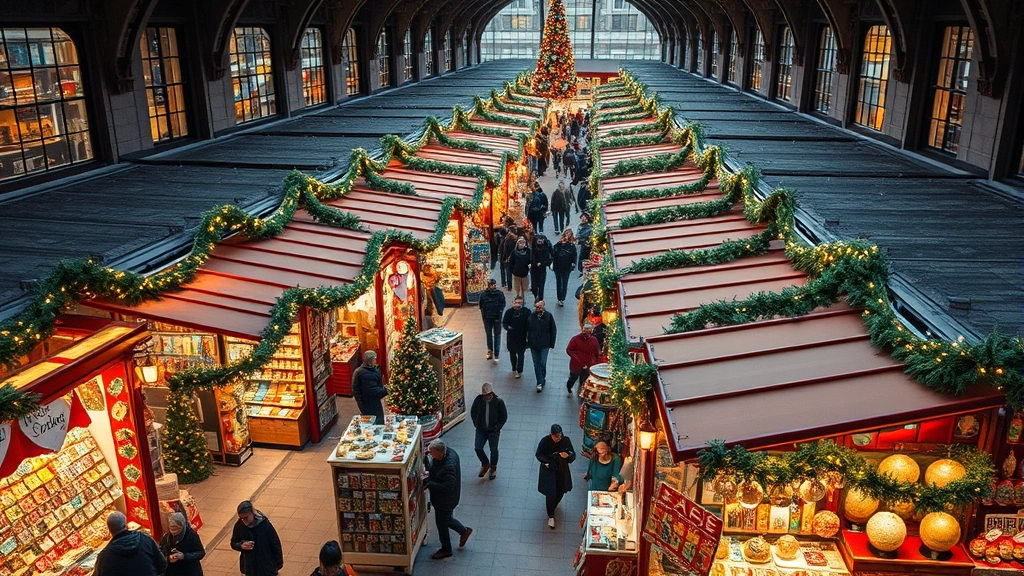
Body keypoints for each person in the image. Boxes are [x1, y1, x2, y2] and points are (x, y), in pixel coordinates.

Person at [425, 440, 472, 559]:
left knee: (442, 523)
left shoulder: (448, 467)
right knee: (448, 518)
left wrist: (429, 483)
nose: (430, 455)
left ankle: (446, 549)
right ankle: (464, 531)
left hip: (445, 501)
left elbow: (447, 487)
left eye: (432, 453)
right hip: (450, 499)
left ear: (441, 453)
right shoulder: (449, 452)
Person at [94, 511, 167, 576]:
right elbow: (162, 564)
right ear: (126, 525)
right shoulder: (145, 538)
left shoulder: (104, 557)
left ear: (109, 530)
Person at [536, 424, 576, 529]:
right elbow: (539, 454)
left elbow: (572, 455)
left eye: (560, 436)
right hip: (549, 470)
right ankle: (551, 515)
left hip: (562, 469)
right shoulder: (545, 442)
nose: (559, 438)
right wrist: (547, 462)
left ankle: (553, 506)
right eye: (556, 436)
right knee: (551, 492)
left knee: (561, 489)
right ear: (551, 435)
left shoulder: (566, 441)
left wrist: (568, 456)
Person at [231, 501, 284, 576]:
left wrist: (278, 563)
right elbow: (233, 543)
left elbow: (275, 543)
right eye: (241, 518)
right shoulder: (239, 526)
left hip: (266, 565)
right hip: (250, 567)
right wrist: (240, 545)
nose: (244, 521)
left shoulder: (264, 524)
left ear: (252, 513)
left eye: (246, 517)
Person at [470, 382, 507, 479]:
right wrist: (476, 423)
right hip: (481, 429)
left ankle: (493, 468)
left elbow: (504, 417)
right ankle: (485, 463)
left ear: (492, 393)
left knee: (493, 450)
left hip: (493, 431)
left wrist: (497, 427)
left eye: (488, 395)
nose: (486, 397)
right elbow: (473, 412)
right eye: (484, 395)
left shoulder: (499, 402)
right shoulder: (478, 400)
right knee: (478, 447)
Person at [160, 512, 206, 576]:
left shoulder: (191, 536)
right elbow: (161, 553)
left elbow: (201, 553)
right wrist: (169, 558)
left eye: (177, 529)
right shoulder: (167, 537)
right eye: (172, 529)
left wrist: (184, 556)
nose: (174, 533)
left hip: (189, 571)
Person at [526, 300, 557, 392]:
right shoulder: (531, 316)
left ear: (543, 306)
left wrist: (552, 344)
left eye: (539, 307)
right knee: (536, 363)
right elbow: (527, 329)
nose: (537, 309)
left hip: (544, 344)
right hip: (534, 344)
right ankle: (539, 381)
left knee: (543, 362)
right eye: (536, 307)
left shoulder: (548, 316)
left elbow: (553, 330)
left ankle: (542, 378)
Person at [566, 322, 600, 396]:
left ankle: (582, 392)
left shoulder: (593, 340)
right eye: (587, 330)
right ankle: (569, 386)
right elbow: (569, 350)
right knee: (573, 378)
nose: (588, 332)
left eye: (590, 330)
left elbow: (597, 352)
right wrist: (578, 359)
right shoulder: (575, 339)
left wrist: (596, 362)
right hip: (576, 365)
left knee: (584, 380)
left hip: (587, 365)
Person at [351, 351, 385, 421]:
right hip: (369, 403)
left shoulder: (359, 371)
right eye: (374, 359)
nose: (375, 361)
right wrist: (385, 390)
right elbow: (373, 391)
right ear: (370, 361)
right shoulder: (367, 375)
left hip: (364, 403)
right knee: (375, 420)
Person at [479, 278, 506, 361]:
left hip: (496, 318)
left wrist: (499, 313)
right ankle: (490, 351)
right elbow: (481, 306)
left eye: (493, 284)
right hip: (487, 318)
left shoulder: (499, 294)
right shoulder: (484, 295)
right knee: (489, 335)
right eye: (491, 284)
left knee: (497, 335)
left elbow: (503, 304)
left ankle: (496, 353)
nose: (493, 286)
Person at [502, 295, 530, 379]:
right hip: (512, 337)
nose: (518, 305)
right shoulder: (509, 312)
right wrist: (508, 328)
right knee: (512, 353)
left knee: (521, 354)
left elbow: (530, 322)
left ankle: (519, 369)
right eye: (517, 302)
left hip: (522, 337)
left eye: (520, 303)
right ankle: (514, 366)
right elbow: (504, 322)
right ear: (514, 302)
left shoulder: (526, 312)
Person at [552, 229, 577, 306]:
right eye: (566, 233)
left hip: (567, 267)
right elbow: (554, 254)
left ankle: (562, 297)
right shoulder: (558, 245)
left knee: (565, 282)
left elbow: (574, 255)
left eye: (569, 233)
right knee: (559, 282)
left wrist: (573, 263)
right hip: (558, 266)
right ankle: (559, 298)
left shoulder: (571, 245)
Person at [530, 234, 553, 301]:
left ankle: (540, 300)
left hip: (542, 269)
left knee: (541, 286)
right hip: (534, 269)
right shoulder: (533, 249)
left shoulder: (545, 249)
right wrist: (534, 263)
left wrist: (542, 263)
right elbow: (531, 258)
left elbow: (550, 258)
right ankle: (536, 296)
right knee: (534, 287)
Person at [498, 220, 518, 289]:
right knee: (507, 271)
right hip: (508, 257)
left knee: (507, 271)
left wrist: (504, 257)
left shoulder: (507, 239)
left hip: (506, 257)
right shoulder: (511, 238)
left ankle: (507, 284)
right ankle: (506, 284)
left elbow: (505, 249)